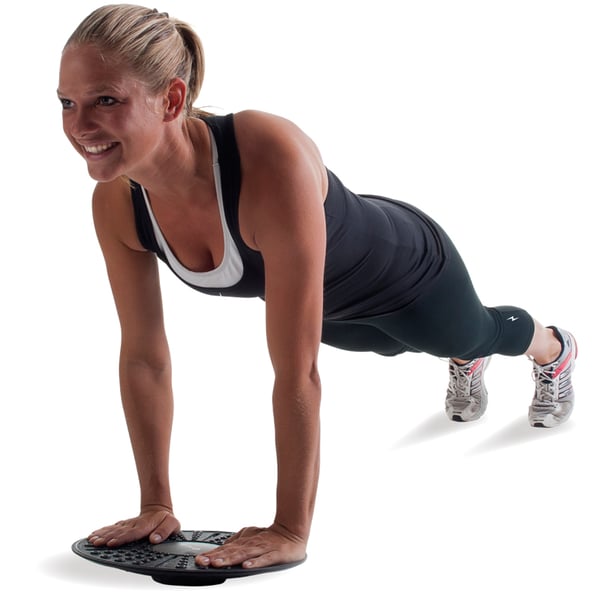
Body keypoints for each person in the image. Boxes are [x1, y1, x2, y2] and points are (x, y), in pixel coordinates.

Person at [58, 4, 577, 571]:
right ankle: (459, 355)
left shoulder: (264, 154)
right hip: (331, 313)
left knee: (469, 333)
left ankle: (551, 347)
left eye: (105, 100)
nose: (79, 126)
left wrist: (289, 528)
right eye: (66, 103)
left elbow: (296, 373)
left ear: (172, 99)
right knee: (388, 346)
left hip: (407, 272)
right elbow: (144, 357)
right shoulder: (118, 204)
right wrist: (155, 505)